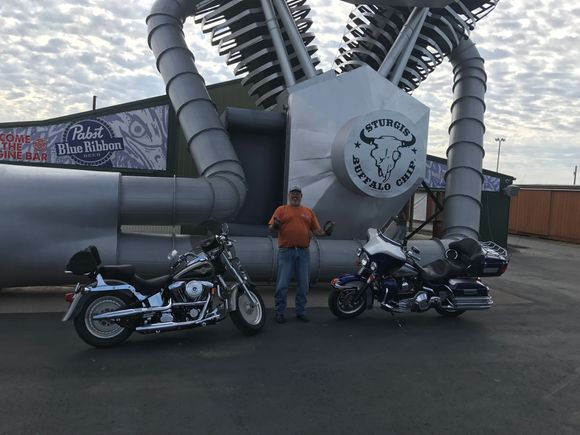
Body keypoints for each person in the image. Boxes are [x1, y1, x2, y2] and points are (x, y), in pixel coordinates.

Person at [268, 185, 334, 324]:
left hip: (303, 252)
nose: (295, 196)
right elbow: (271, 228)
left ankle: (301, 312)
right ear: (289, 195)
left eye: (297, 194)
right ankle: (279, 312)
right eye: (293, 193)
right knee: (282, 284)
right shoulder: (281, 210)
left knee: (304, 284)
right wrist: (276, 226)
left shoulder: (308, 212)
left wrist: (326, 232)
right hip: (286, 251)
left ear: (301, 196)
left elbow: (317, 231)